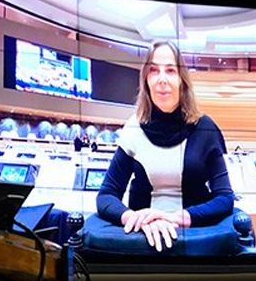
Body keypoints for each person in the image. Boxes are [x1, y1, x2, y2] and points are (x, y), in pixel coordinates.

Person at [95, 41, 234, 253]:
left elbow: (224, 198)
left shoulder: (205, 128)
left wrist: (175, 218)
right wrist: (134, 218)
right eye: (153, 71)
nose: (162, 79)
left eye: (170, 70)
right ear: (146, 80)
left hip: (194, 238)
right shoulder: (133, 126)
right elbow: (106, 195)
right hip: (141, 238)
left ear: (182, 80)